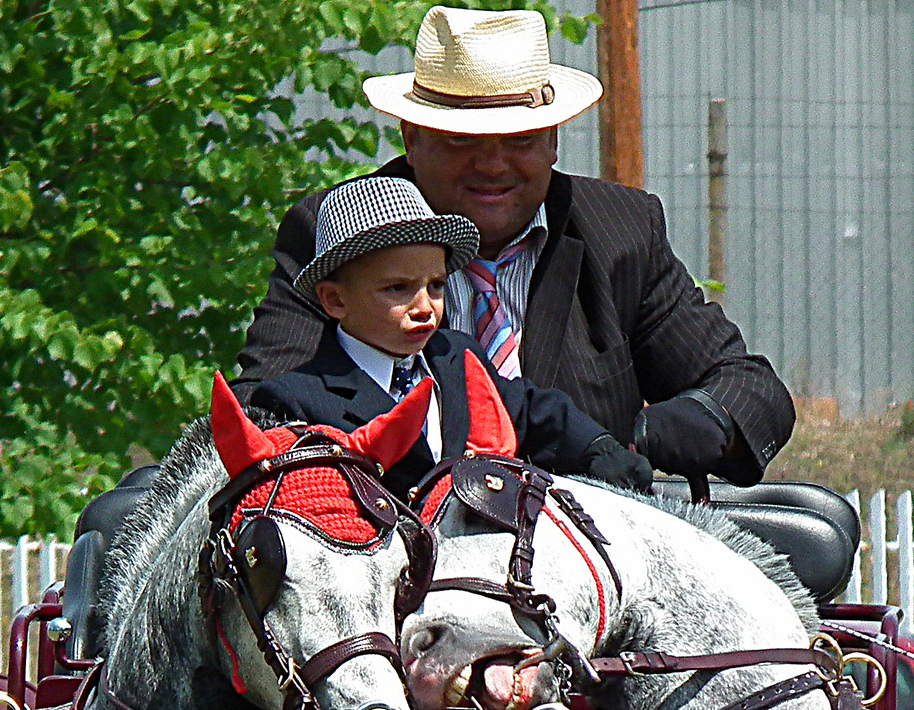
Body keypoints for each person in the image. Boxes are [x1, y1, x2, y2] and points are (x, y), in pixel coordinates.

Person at [234, 6, 794, 487]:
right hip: (394, 560)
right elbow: (259, 413)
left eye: (520, 140)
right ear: (411, 137)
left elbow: (750, 391)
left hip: (590, 562)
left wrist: (629, 440)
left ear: (553, 139)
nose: (493, 165)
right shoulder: (342, 233)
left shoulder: (621, 231)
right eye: (462, 140)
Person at [247, 175, 652, 501]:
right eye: (397, 289)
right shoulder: (296, 399)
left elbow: (530, 409)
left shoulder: (455, 355)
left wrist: (597, 448)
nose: (425, 306)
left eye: (437, 285)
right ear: (334, 300)